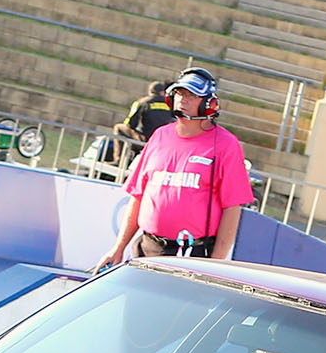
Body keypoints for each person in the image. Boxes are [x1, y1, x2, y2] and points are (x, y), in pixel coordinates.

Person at [97, 68, 255, 267]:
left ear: (209, 103)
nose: (183, 100)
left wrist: (215, 263)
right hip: (148, 247)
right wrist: (118, 248)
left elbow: (232, 208)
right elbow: (138, 195)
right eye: (179, 93)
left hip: (194, 254)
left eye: (191, 95)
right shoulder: (159, 136)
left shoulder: (226, 145)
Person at [116, 81, 179, 145]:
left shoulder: (141, 102)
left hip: (145, 139)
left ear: (150, 91)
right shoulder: (170, 104)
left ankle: (119, 152)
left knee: (118, 127)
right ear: (162, 92)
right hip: (162, 139)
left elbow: (131, 124)